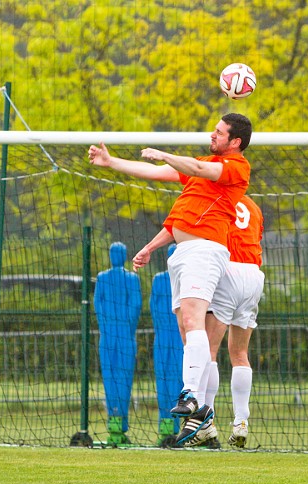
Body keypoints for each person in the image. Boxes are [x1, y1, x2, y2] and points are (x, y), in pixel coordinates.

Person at [88, 113, 252, 438]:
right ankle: (203, 410)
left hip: (205, 251)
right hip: (182, 254)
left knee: (193, 322)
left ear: (235, 141)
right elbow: (156, 172)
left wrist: (167, 154)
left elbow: (200, 168)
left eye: (219, 133)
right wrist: (111, 162)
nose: (212, 136)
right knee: (185, 329)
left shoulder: (234, 167)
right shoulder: (199, 169)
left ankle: (191, 395)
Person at [182, 195, 264, 448]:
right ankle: (241, 421)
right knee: (240, 352)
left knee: (208, 350)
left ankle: (205, 422)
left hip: (228, 269)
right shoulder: (253, 206)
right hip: (254, 275)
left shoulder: (215, 199)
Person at [94, 242, 142, 445]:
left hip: (120, 333)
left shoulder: (130, 279)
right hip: (113, 333)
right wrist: (111, 324)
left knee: (121, 377)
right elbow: (98, 303)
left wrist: (123, 325)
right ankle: (115, 421)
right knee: (113, 376)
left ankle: (119, 422)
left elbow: (135, 303)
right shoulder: (105, 278)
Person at [150, 243, 184, 446]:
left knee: (178, 378)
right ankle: (167, 426)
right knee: (166, 377)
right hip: (168, 335)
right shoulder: (161, 279)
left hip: (176, 335)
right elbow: (152, 306)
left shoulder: (182, 279)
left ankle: (180, 425)